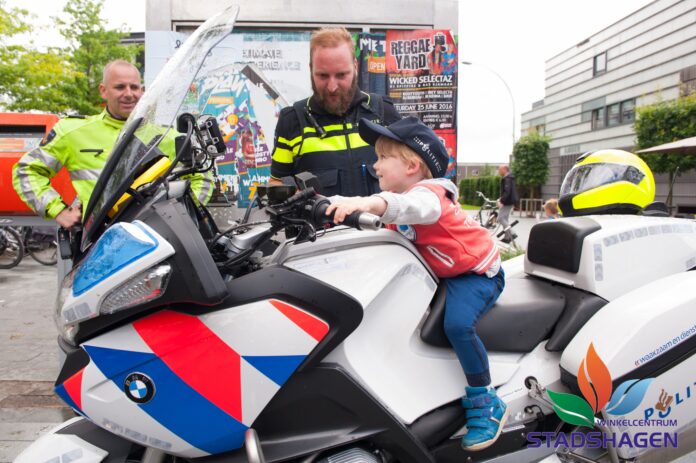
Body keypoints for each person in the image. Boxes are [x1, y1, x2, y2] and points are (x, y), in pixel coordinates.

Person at [326, 116, 507, 451]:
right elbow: (379, 221)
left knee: (457, 326)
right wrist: (332, 208)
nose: (375, 165)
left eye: (383, 157)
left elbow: (402, 207)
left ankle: (486, 400)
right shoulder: (405, 198)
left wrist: (365, 202)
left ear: (412, 166)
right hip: (446, 271)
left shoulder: (428, 196)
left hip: (476, 273)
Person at [12, 60, 214, 230]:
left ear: (142, 91)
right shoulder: (73, 131)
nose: (129, 93)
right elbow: (26, 171)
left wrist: (185, 215)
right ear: (103, 91)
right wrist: (58, 211)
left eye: (134, 87)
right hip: (97, 240)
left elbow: (201, 177)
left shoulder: (166, 136)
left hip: (155, 239)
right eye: (120, 87)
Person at [270, 27, 401, 197]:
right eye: (323, 76)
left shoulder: (383, 112)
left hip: (379, 216)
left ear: (355, 66)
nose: (332, 87)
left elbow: (414, 176)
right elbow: (276, 185)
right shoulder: (292, 121)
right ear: (311, 69)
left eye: (341, 75)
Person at [496, 165, 518, 243]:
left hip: (507, 201)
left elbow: (507, 191)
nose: (498, 171)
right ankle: (507, 238)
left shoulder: (507, 179)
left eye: (500, 170)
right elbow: (507, 191)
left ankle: (512, 233)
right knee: (505, 219)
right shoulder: (510, 178)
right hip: (509, 201)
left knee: (500, 218)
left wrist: (501, 201)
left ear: (505, 169)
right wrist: (501, 198)